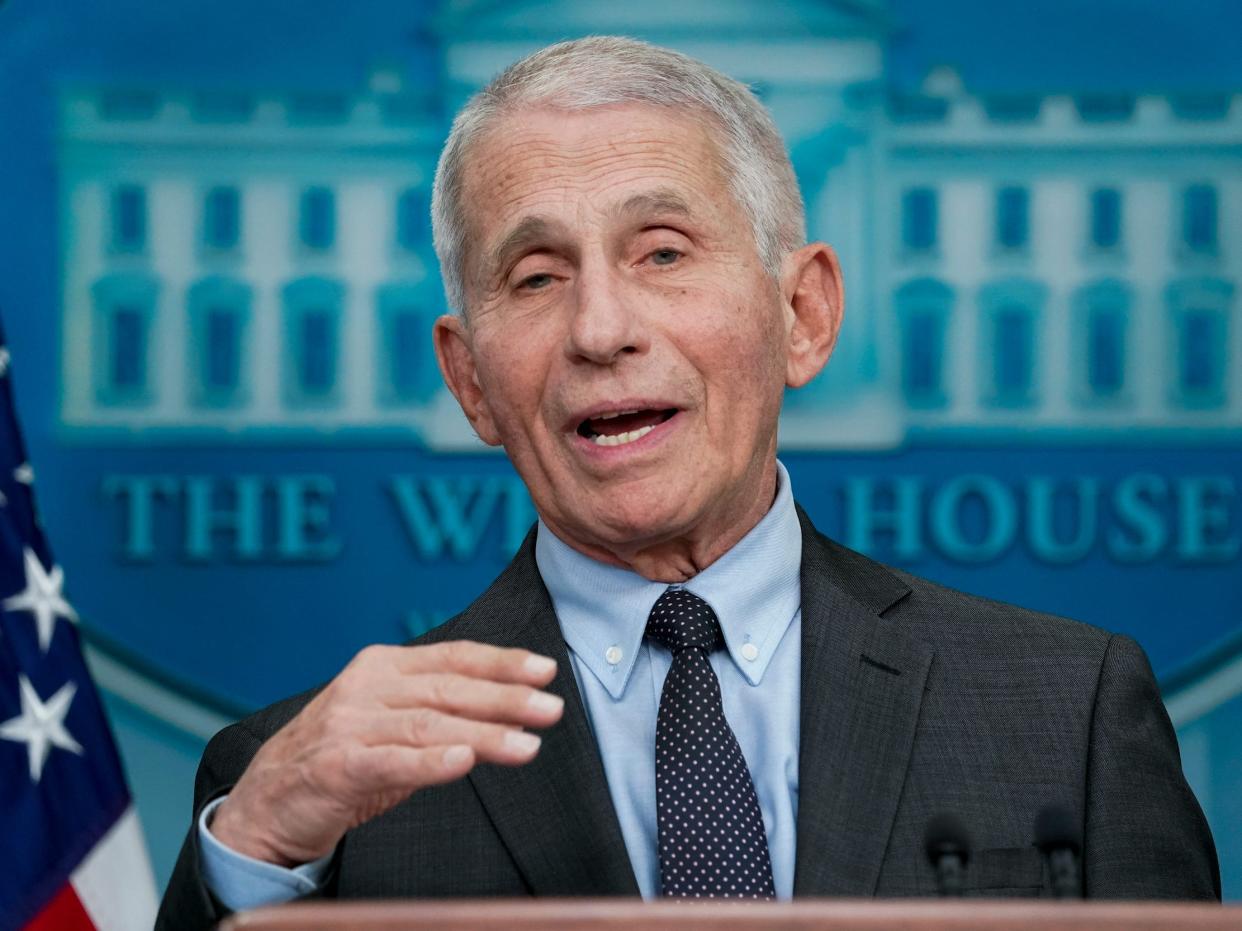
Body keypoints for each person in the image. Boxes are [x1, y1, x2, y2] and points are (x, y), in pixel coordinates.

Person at [156, 36, 1219, 928]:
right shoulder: (293, 790)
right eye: (537, 277)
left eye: (662, 253)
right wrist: (258, 855)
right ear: (470, 380)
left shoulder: (1066, 711)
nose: (601, 330)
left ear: (802, 314)